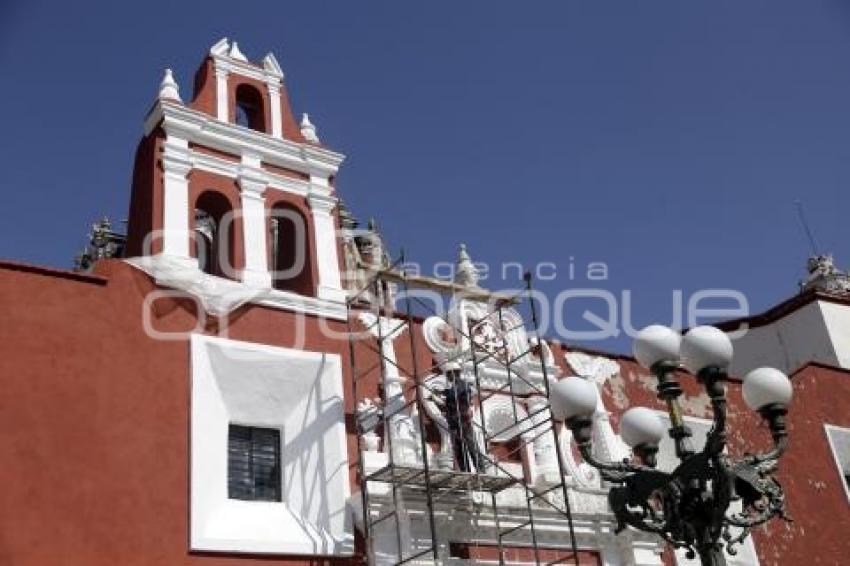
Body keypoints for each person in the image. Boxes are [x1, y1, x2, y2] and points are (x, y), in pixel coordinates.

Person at [438, 362, 486, 473]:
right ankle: (465, 470)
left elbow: (454, 394)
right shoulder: (454, 388)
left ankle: (480, 469)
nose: (447, 377)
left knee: (471, 445)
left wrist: (443, 392)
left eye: (448, 374)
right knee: (459, 448)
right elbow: (449, 404)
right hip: (454, 422)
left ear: (455, 373)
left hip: (463, 421)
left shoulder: (462, 385)